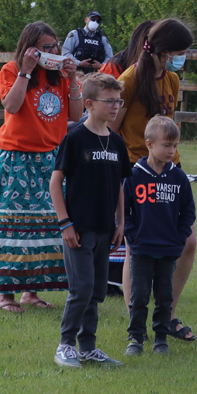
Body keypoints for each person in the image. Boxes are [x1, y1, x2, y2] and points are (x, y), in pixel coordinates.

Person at [0, 22, 83, 313]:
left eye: (55, 46)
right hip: (16, 159)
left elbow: (76, 116)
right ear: (30, 48)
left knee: (47, 228)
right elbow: (12, 107)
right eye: (46, 48)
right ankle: (6, 296)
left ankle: (31, 292)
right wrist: (26, 71)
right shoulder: (11, 70)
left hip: (51, 161)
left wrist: (74, 78)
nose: (53, 52)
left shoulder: (59, 77)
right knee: (9, 229)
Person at [111, 17, 197, 341]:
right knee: (137, 247)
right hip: (137, 171)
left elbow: (169, 129)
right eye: (181, 52)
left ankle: (167, 315)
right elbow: (111, 129)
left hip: (170, 173)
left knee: (186, 242)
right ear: (164, 50)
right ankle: (137, 324)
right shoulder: (130, 78)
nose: (182, 58)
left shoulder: (172, 80)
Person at [50, 73, 131, 367]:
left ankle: (88, 347)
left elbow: (121, 186)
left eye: (118, 101)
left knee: (97, 290)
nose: (115, 106)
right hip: (78, 228)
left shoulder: (118, 143)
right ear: (89, 104)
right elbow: (55, 183)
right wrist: (65, 223)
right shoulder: (75, 138)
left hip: (105, 229)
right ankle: (65, 345)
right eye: (109, 101)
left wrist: (120, 222)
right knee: (81, 288)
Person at [124, 116, 196, 357]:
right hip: (141, 248)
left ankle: (161, 338)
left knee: (165, 296)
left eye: (175, 146)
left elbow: (188, 212)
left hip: (168, 249)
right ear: (149, 144)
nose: (172, 151)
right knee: (140, 295)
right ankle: (135, 337)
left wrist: (179, 238)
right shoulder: (134, 175)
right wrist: (133, 236)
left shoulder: (179, 177)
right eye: (167, 145)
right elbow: (124, 211)